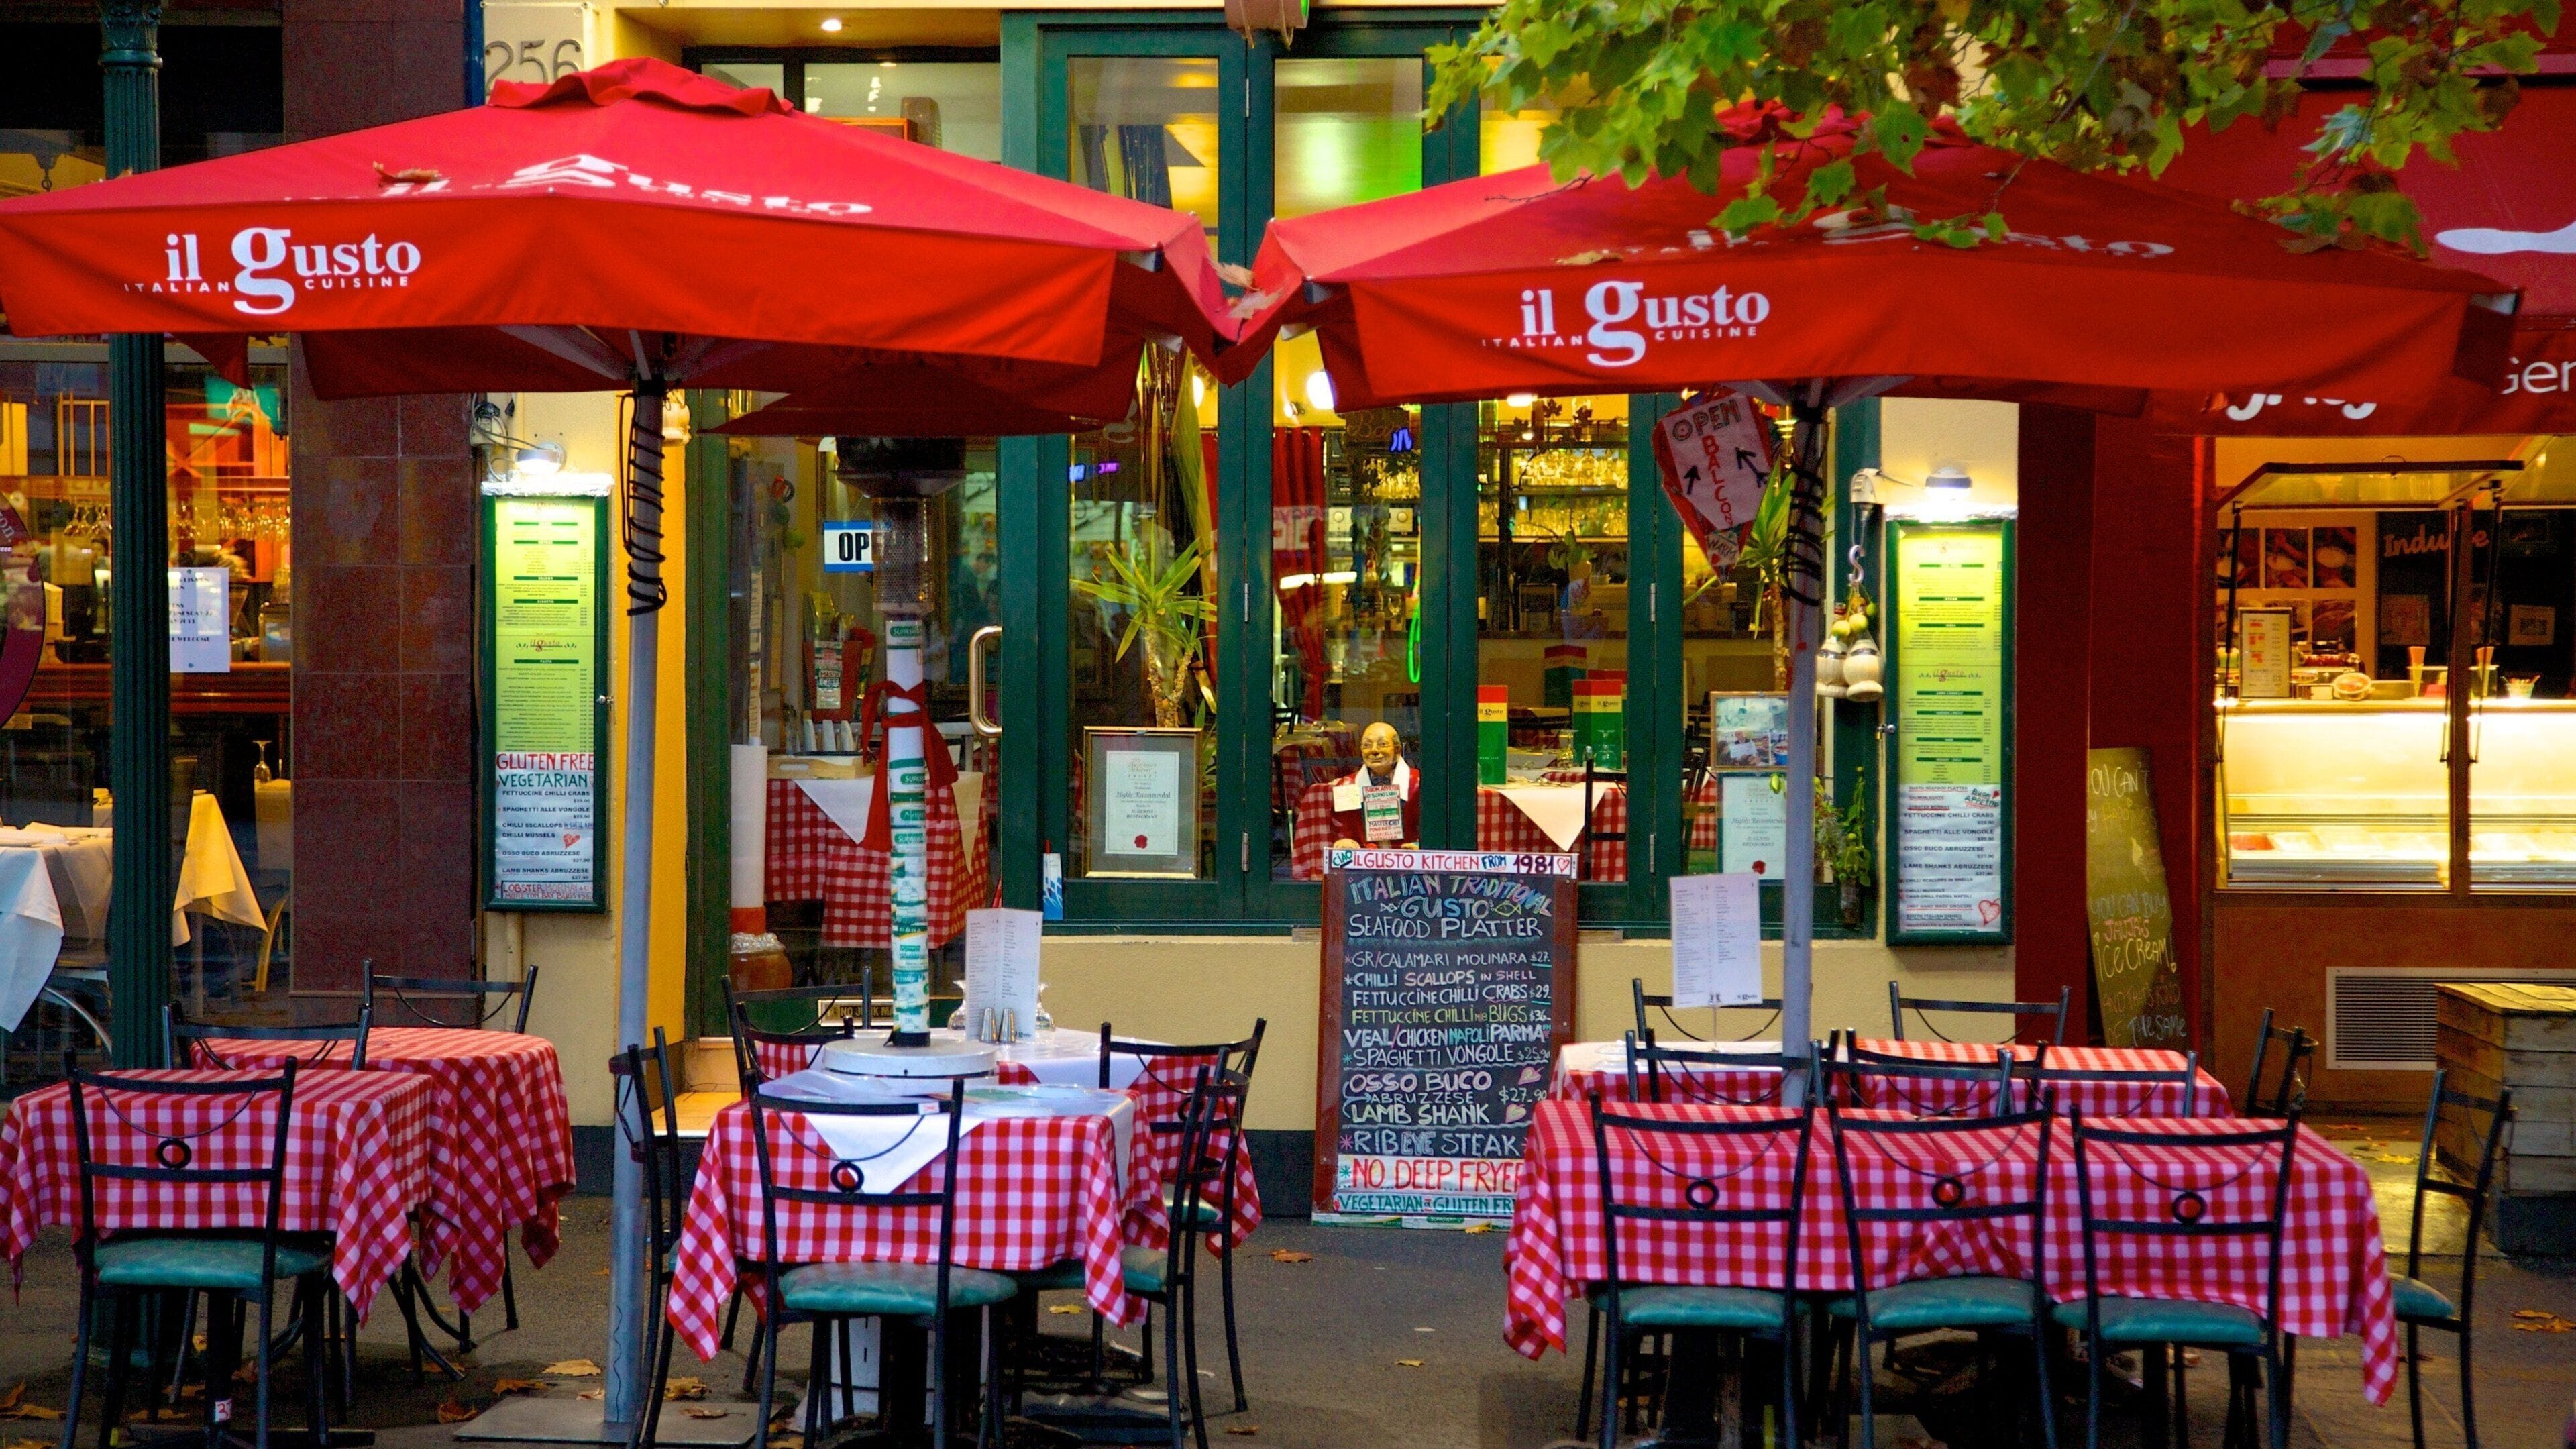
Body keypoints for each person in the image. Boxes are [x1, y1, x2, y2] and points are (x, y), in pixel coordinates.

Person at [1328, 720, 1419, 849]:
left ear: (1398, 750)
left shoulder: (1419, 784)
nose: (1374, 750)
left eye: (1383, 744)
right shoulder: (1347, 787)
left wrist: (1419, 846)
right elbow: (1342, 830)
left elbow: (1433, 829)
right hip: (1365, 865)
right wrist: (1347, 843)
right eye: (1367, 745)